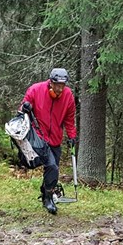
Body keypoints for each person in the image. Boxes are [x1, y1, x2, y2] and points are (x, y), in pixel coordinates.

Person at [21, 68, 78, 215]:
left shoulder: (68, 96)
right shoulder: (35, 90)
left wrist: (72, 136)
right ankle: (48, 199)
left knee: (52, 169)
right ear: (51, 82)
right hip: (38, 136)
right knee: (52, 166)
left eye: (62, 85)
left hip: (55, 138)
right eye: (57, 85)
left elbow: (69, 119)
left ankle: (46, 191)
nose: (59, 88)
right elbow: (22, 110)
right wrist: (26, 108)